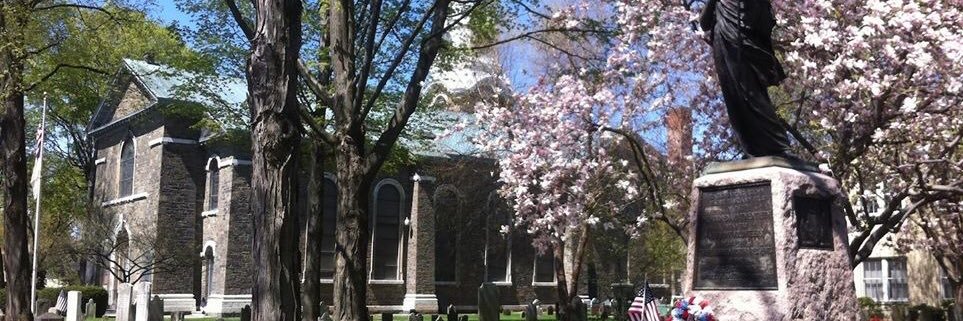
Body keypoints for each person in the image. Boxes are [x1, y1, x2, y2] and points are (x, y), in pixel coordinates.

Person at [701, 0, 792, 157]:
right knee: (734, 99)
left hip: (742, 44)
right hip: (722, 42)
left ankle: (779, 146)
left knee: (751, 94)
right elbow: (704, 24)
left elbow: (762, 20)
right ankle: (751, 149)